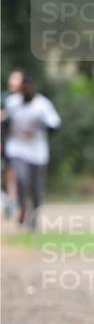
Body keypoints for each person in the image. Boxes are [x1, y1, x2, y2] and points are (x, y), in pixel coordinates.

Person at [3, 73, 61, 230]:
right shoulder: (12, 103)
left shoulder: (42, 105)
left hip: (37, 151)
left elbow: (55, 125)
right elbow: (6, 122)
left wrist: (38, 128)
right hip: (17, 147)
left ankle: (34, 216)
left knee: (36, 188)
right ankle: (21, 207)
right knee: (21, 178)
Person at [1, 68, 24, 218]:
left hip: (23, 145)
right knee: (6, 175)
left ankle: (16, 203)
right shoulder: (5, 98)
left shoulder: (29, 99)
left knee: (15, 175)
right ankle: (9, 201)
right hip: (6, 142)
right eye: (13, 78)